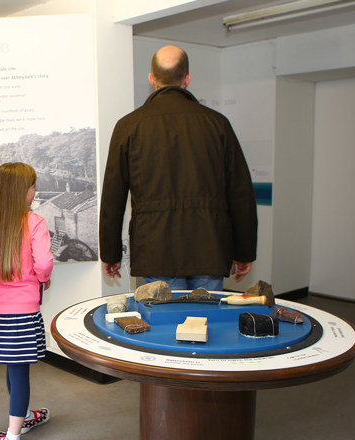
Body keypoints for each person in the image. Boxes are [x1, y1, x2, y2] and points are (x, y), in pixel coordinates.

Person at [99, 45, 258, 291]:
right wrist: (244, 250)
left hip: (156, 249)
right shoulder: (217, 124)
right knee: (204, 324)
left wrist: (110, 253)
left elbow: (113, 196)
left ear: (152, 79)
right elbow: (241, 193)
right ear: (187, 79)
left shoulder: (128, 127)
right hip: (209, 247)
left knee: (165, 325)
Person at [0, 162, 54, 440]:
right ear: (23, 191)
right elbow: (44, 264)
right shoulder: (34, 222)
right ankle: (12, 438)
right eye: (33, 186)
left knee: (12, 367)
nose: (35, 191)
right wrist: (42, 278)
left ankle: (21, 416)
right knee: (20, 373)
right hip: (23, 313)